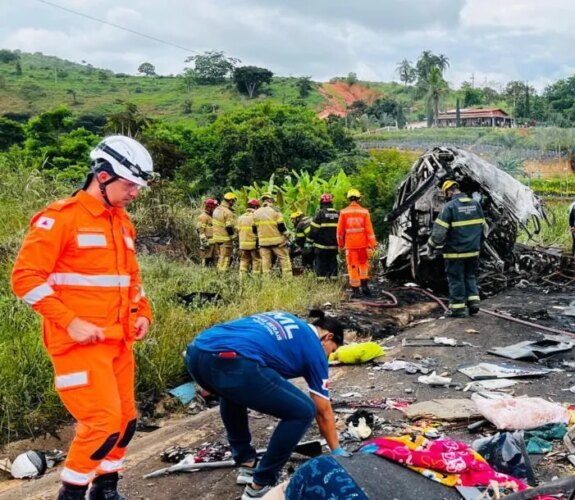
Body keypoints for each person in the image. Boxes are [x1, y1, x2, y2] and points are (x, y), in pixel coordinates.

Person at [11, 135, 155, 500]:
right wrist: (70, 320)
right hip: (78, 344)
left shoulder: (121, 223)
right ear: (103, 176)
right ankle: (72, 494)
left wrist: (143, 314)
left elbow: (131, 282)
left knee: (125, 421)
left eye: (138, 186)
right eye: (129, 184)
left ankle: (105, 489)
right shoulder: (60, 219)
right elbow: (25, 279)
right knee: (102, 424)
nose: (134, 193)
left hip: (118, 342)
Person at [185, 310, 348, 499]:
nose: (328, 356)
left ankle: (246, 463)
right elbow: (323, 411)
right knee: (303, 411)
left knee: (232, 391)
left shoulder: (286, 317)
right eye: (332, 350)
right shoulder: (314, 349)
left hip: (197, 352)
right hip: (233, 361)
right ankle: (260, 485)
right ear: (327, 337)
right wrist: (336, 451)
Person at [426, 180, 484, 318]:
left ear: (449, 191)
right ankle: (474, 303)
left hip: (455, 252)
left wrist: (431, 246)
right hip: (473, 251)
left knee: (456, 279)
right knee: (470, 276)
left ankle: (458, 309)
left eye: (446, 193)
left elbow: (439, 233)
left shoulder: (449, 207)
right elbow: (483, 227)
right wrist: (477, 244)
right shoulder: (475, 204)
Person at [337, 189, 377, 298]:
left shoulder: (343, 212)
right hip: (363, 244)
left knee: (352, 266)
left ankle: (355, 291)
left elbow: (340, 232)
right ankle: (365, 286)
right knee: (364, 265)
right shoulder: (364, 212)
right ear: (359, 198)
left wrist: (340, 244)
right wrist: (373, 244)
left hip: (350, 245)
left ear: (349, 198)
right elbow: (369, 230)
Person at [254, 194, 292, 277]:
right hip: (277, 241)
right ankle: (288, 279)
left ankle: (267, 280)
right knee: (284, 258)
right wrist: (287, 234)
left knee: (265, 261)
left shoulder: (256, 212)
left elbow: (254, 229)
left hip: (263, 242)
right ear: (270, 200)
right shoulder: (275, 210)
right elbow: (281, 225)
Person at [308, 193, 340, 279]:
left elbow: (314, 230)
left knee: (321, 263)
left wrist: (309, 241)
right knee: (333, 262)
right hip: (334, 245)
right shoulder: (338, 213)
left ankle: (322, 281)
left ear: (321, 202)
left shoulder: (320, 213)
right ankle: (334, 280)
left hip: (321, 246)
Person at [213, 192, 238, 271]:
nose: (233, 203)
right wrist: (233, 236)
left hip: (216, 237)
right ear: (230, 201)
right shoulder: (228, 212)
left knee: (220, 256)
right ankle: (222, 273)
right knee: (226, 257)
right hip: (225, 239)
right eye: (233, 201)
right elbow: (229, 226)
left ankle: (218, 271)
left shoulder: (216, 209)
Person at [237, 199, 260, 275]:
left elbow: (237, 231)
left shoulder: (240, 217)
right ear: (256, 207)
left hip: (243, 244)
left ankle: (242, 277)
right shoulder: (255, 217)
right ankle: (256, 278)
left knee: (244, 260)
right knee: (256, 260)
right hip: (253, 243)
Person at [197, 198, 218, 267]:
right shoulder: (203, 217)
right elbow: (200, 229)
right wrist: (204, 241)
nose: (215, 209)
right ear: (209, 207)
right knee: (205, 259)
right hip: (207, 243)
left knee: (213, 260)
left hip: (213, 243)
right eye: (213, 208)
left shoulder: (211, 217)